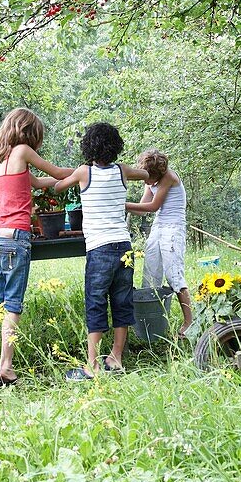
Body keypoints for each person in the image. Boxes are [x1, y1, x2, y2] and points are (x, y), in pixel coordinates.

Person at [0, 107, 72, 388]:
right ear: (28, 132)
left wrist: (61, 181)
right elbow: (54, 171)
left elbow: (42, 181)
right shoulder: (23, 151)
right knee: (13, 304)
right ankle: (6, 366)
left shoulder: (1, 159)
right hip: (16, 236)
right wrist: (82, 173)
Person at [52, 122, 148, 379]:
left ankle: (92, 364)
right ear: (116, 147)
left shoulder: (84, 172)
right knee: (121, 301)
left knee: (95, 302)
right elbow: (146, 174)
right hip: (124, 246)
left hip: (99, 248)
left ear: (88, 146)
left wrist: (67, 177)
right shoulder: (123, 171)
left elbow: (58, 187)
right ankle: (116, 358)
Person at [126, 150, 192, 338]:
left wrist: (122, 204)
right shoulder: (151, 181)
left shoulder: (169, 177)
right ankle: (152, 323)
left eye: (149, 176)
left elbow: (153, 206)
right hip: (158, 227)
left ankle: (189, 322)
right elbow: (142, 209)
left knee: (174, 275)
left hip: (173, 228)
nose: (145, 180)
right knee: (151, 275)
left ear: (158, 172)